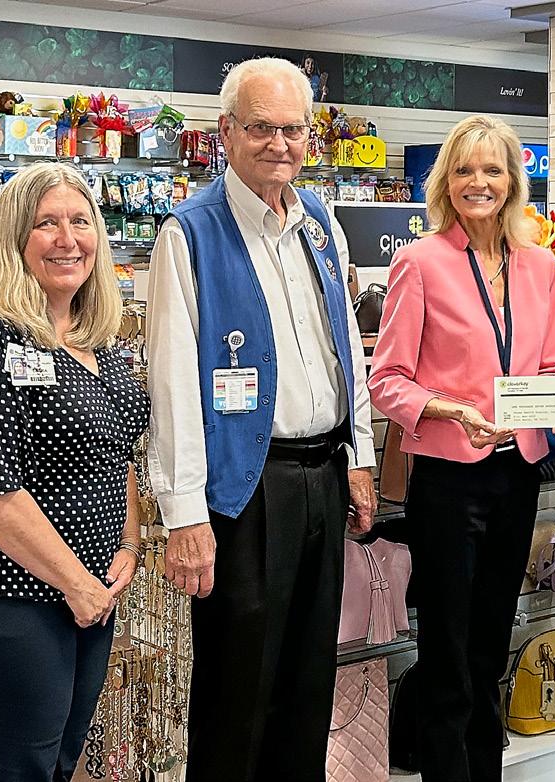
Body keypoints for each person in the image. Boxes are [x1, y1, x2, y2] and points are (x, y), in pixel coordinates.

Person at [145, 56, 376, 781]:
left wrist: (361, 455)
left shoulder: (321, 225)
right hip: (244, 490)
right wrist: (185, 515)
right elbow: (172, 382)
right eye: (260, 128)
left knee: (309, 682)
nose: (279, 144)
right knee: (239, 687)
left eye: (293, 129)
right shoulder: (189, 233)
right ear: (226, 133)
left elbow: (346, 349)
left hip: (323, 476)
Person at [0, 162, 150, 781]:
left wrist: (127, 543)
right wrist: (78, 584)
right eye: (47, 224)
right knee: (21, 765)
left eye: (80, 222)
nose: (68, 239)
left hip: (89, 589)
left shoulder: (104, 344)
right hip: (1, 591)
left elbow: (116, 452)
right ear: (14, 239)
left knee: (61, 759)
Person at [368, 114, 555, 782]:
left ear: (513, 180)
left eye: (492, 169)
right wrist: (450, 409)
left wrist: (550, 408)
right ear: (445, 183)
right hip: (449, 478)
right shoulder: (419, 262)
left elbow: (552, 369)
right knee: (448, 654)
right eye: (463, 170)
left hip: (519, 474)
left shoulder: (540, 266)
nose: (478, 182)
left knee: (491, 649)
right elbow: (387, 380)